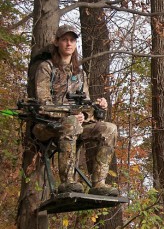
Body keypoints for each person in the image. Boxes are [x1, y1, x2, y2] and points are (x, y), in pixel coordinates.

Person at [31, 24, 118, 196]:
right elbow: (43, 105)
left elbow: (84, 104)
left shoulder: (80, 73)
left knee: (109, 129)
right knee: (71, 123)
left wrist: (92, 110)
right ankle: (68, 182)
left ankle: (99, 184)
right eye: (64, 40)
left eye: (72, 40)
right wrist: (72, 115)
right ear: (57, 42)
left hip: (75, 124)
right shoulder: (46, 68)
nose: (68, 43)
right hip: (46, 126)